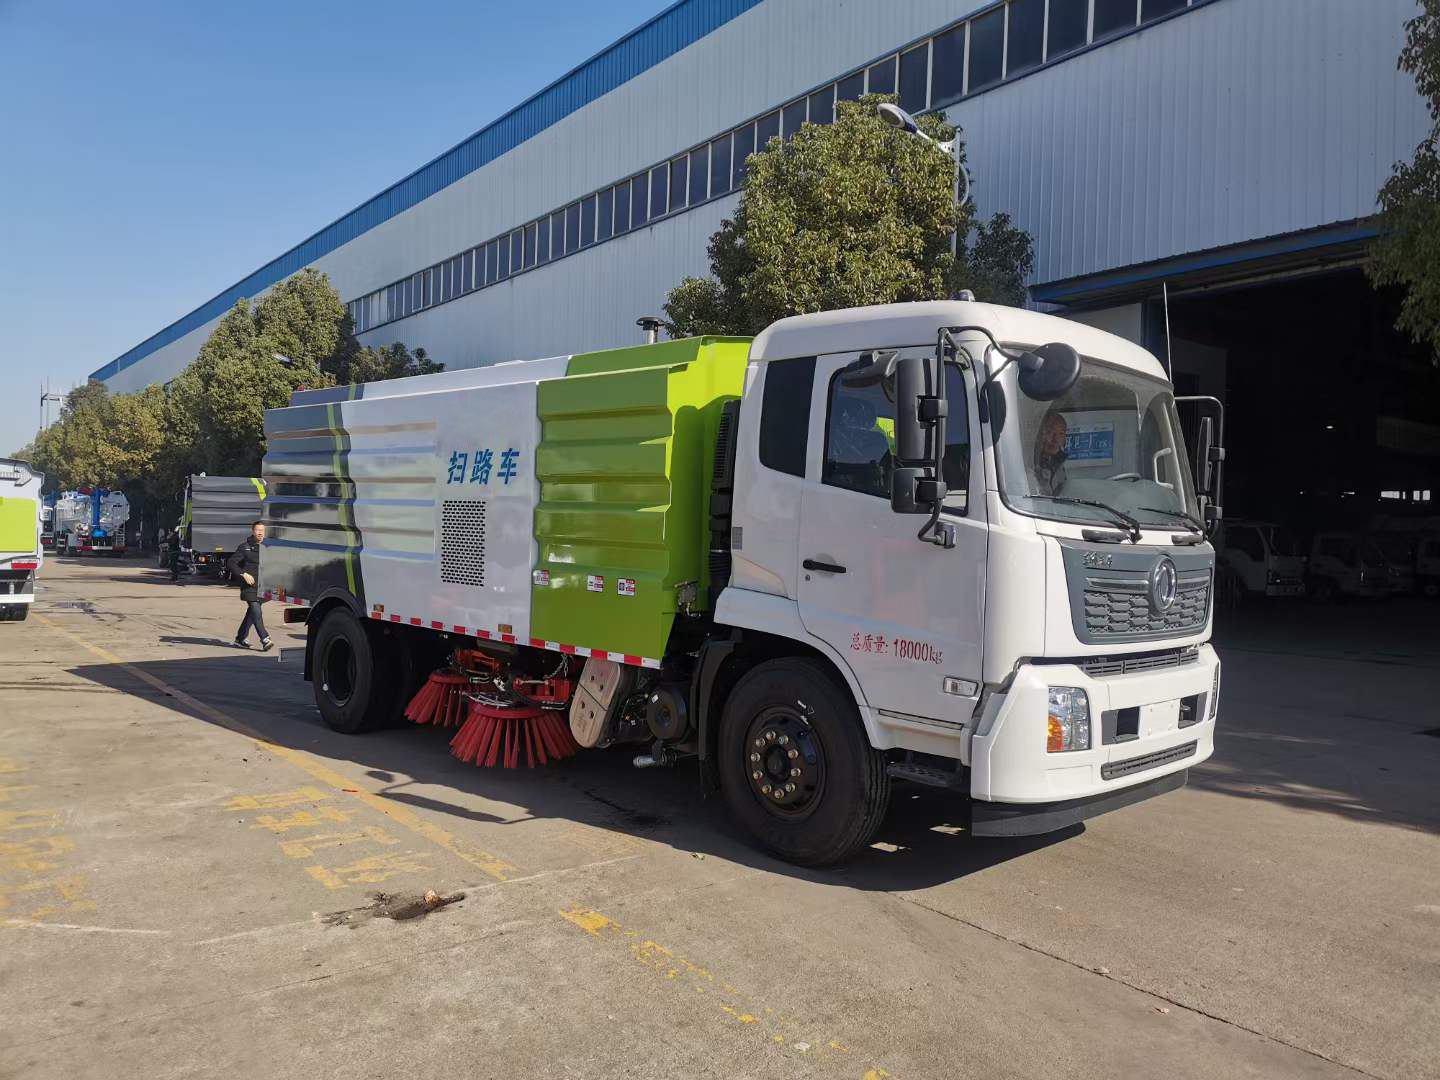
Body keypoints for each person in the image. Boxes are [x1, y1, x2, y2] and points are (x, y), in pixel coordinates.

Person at [228, 520, 273, 651]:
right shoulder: (245, 547)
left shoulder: (269, 547)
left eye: (262, 530)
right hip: (249, 586)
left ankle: (240, 638)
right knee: (255, 608)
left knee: (253, 612)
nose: (260, 532)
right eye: (258, 530)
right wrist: (243, 574)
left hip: (264, 585)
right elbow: (231, 563)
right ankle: (265, 638)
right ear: (253, 531)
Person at [1034, 411, 1069, 496]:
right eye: (1049, 432)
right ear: (1039, 435)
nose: (1055, 439)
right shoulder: (1032, 463)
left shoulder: (1058, 462)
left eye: (1061, 433)